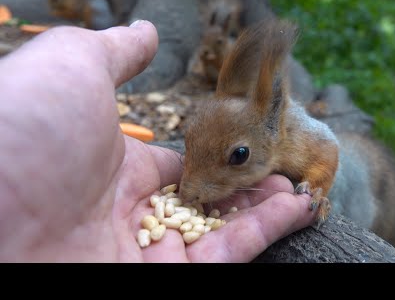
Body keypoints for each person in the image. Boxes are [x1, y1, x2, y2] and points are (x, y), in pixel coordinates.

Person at [0, 20, 316, 262]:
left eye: (238, 156)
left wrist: (315, 187)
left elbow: (324, 154)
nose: (189, 191)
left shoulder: (291, 138)